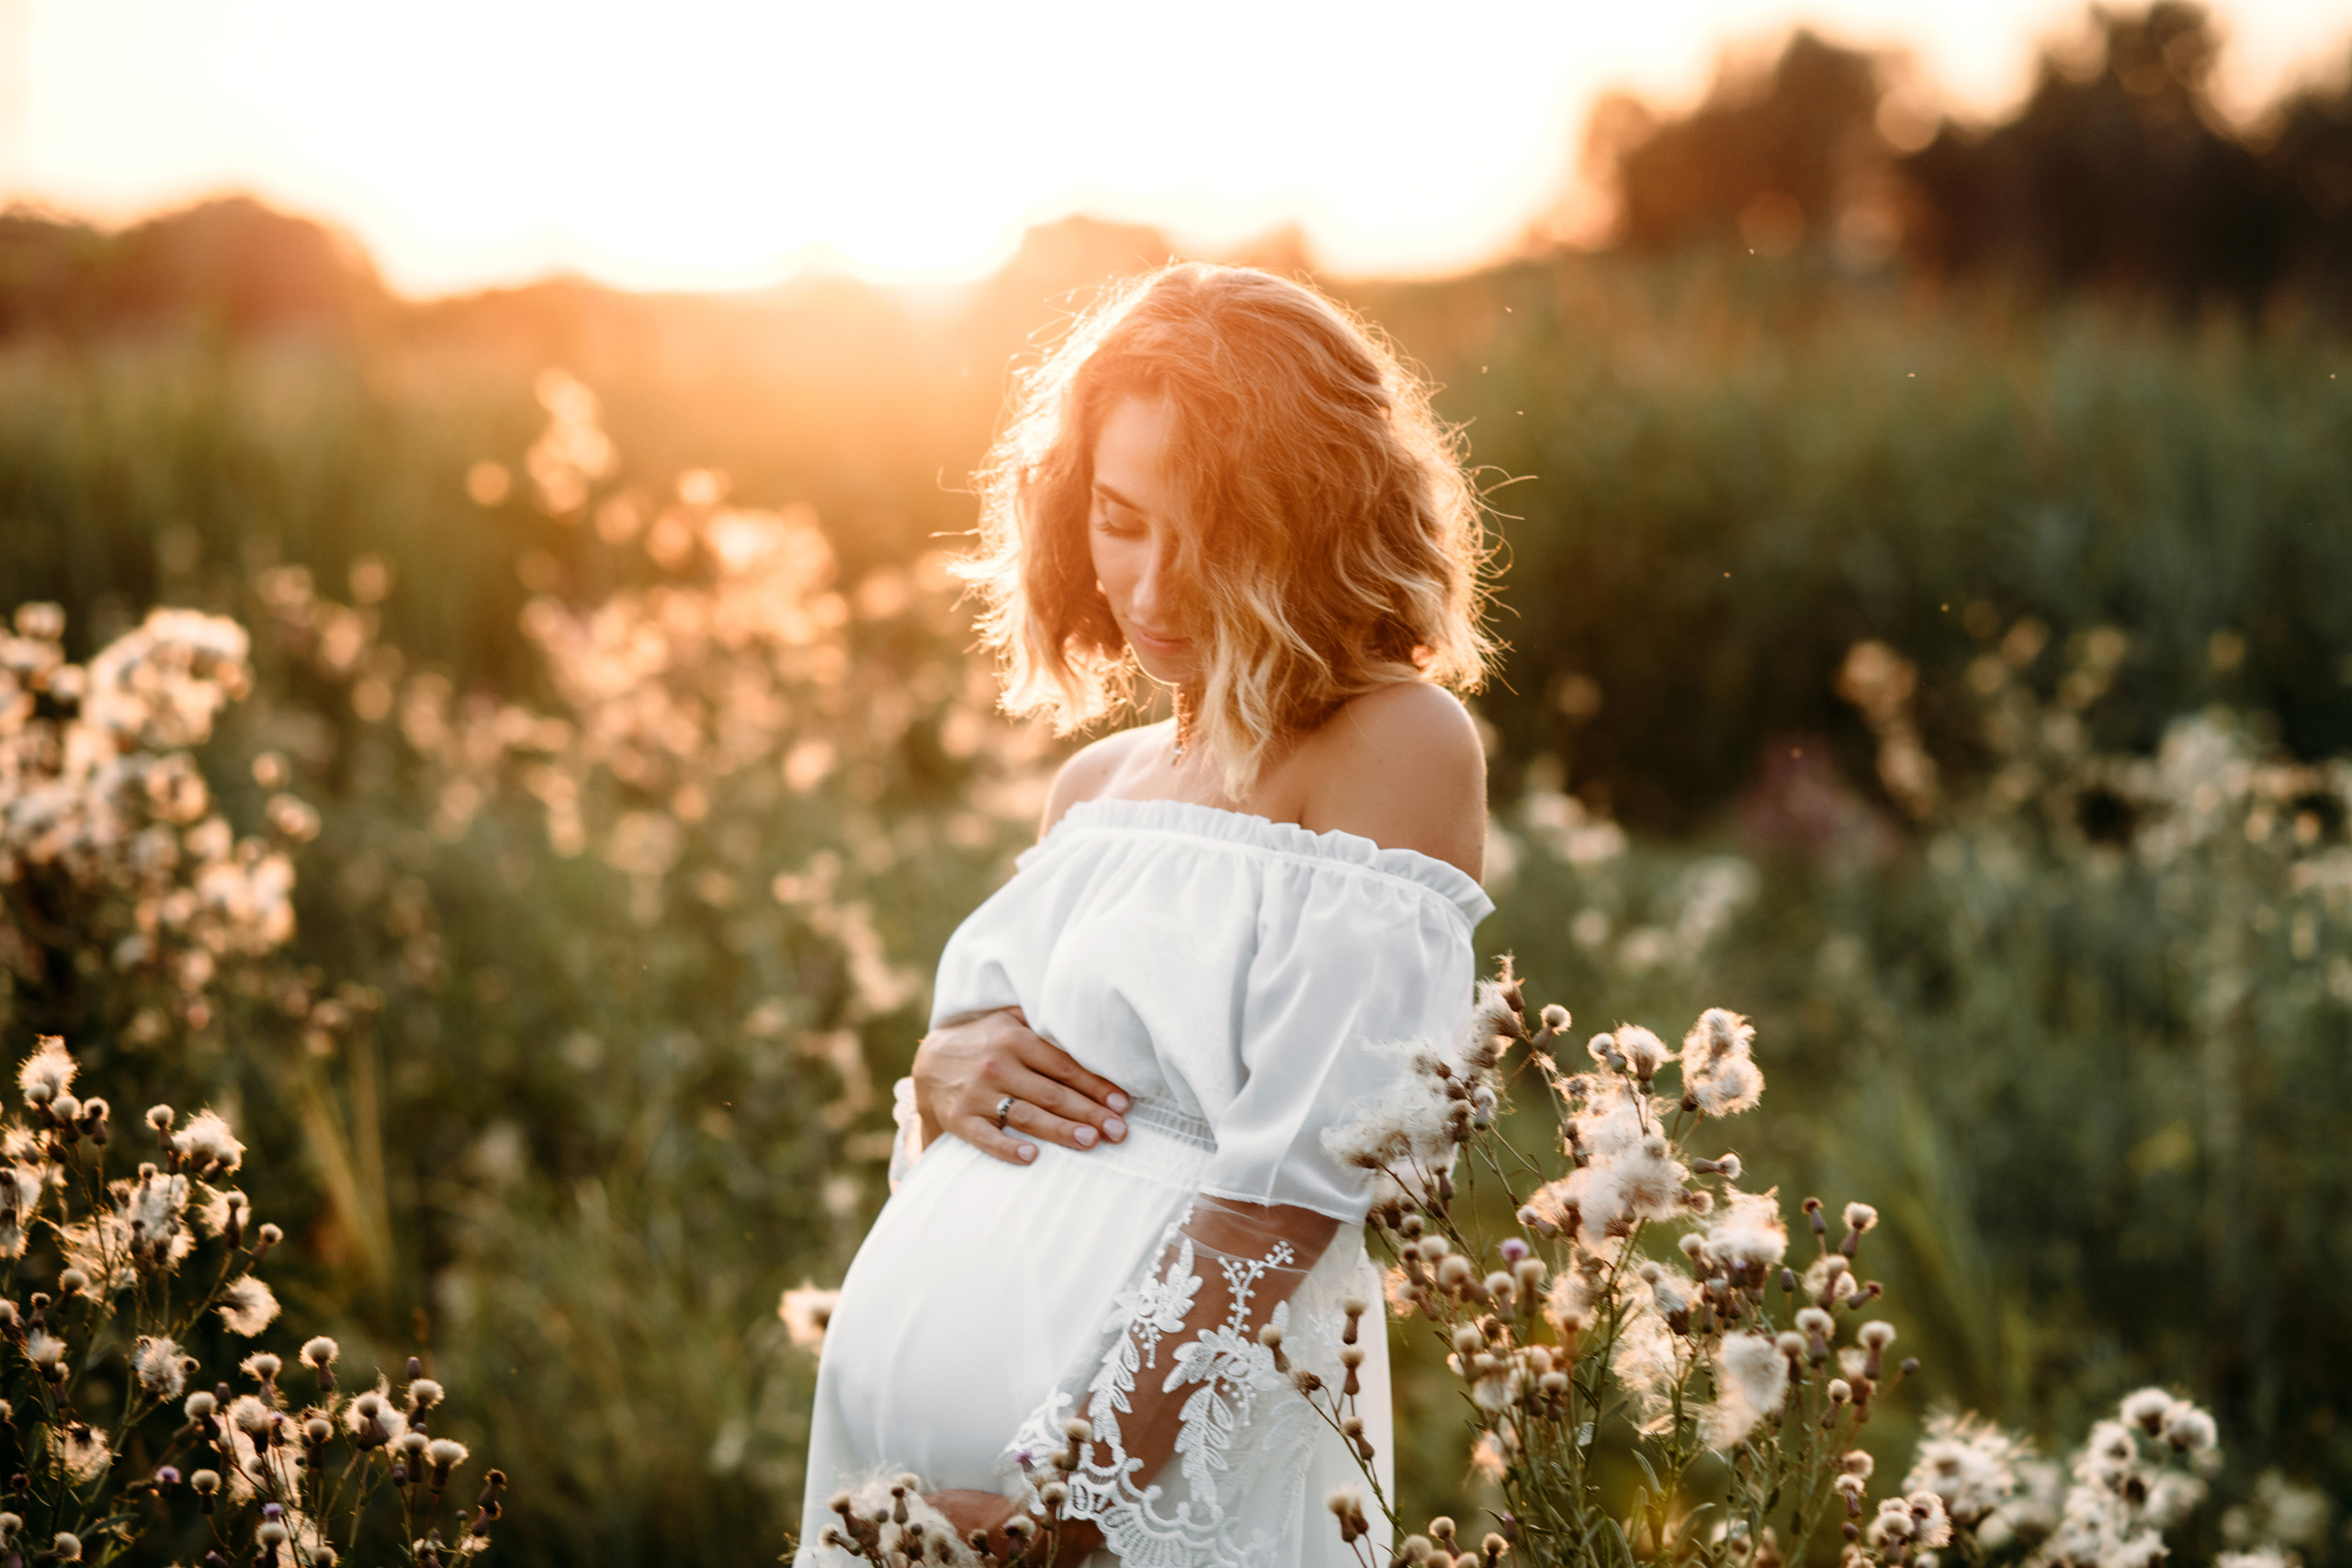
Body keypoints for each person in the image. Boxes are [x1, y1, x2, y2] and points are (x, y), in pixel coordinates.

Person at [796, 262, 1497, 1568]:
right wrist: (942, 1070)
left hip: (1149, 1487)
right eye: (1119, 521)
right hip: (902, 1485)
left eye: (1212, 536)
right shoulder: (1096, 785)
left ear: (1317, 523)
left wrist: (1071, 1506)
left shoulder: (1397, 743)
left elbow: (1290, 1193)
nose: (1154, 588)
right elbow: (1017, 1092)